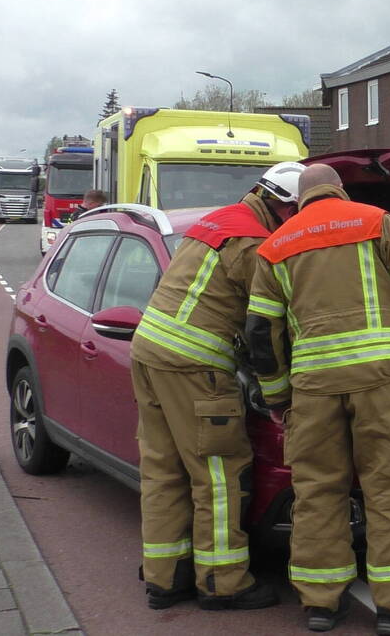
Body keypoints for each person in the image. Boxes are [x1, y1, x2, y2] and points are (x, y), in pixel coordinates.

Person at [246, 164, 390, 635]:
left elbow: (259, 331)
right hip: (379, 379)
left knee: (317, 493)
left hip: (313, 387)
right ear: (341, 190)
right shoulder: (375, 220)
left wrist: (277, 397)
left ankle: (321, 603)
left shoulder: (276, 246)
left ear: (299, 200)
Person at [129, 161, 305, 611]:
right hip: (196, 366)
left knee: (164, 469)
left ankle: (166, 578)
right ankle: (223, 582)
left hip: (150, 352)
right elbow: (267, 323)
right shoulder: (253, 242)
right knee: (221, 473)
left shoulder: (218, 220)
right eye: (298, 213)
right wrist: (278, 388)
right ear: (281, 206)